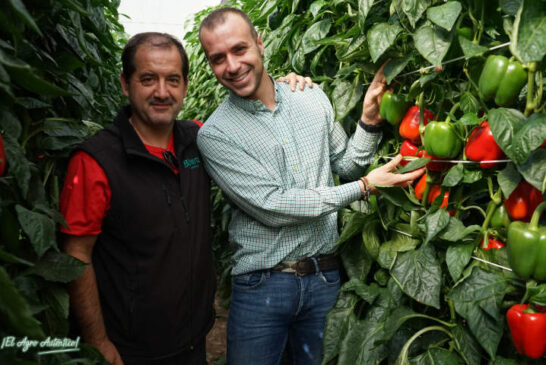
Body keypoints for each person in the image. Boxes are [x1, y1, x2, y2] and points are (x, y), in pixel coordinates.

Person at [60, 32, 310, 365]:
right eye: (148, 79)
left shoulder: (200, 139)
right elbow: (77, 256)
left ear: (186, 86)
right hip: (130, 349)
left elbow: (257, 123)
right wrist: (98, 341)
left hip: (193, 337)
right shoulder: (96, 161)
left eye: (172, 80)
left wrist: (283, 87)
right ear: (125, 83)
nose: (162, 92)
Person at [197, 8, 425, 365]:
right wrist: (365, 187)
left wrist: (367, 121)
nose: (232, 65)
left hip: (324, 281)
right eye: (217, 58)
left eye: (239, 49)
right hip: (262, 288)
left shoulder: (310, 97)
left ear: (259, 44)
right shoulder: (216, 134)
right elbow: (273, 206)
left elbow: (347, 167)